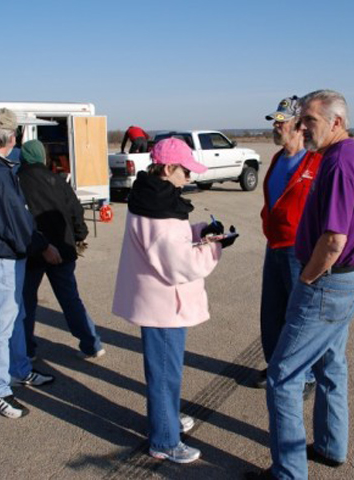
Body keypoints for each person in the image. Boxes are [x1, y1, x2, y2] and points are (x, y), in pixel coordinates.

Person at [250, 90, 354, 479]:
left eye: (310, 120)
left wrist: (307, 279)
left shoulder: (337, 162)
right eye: (301, 120)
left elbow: (334, 240)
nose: (302, 127)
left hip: (326, 282)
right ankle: (329, 446)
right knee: (330, 362)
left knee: (283, 377)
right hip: (346, 278)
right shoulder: (353, 154)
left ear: (336, 122)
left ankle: (288, 473)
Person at [112, 138, 237, 464]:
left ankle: (165, 419)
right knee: (165, 375)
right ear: (168, 168)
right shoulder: (158, 209)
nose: (189, 177)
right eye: (185, 171)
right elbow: (179, 264)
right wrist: (214, 248)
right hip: (164, 306)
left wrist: (200, 232)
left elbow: (172, 240)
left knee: (165, 372)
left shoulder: (153, 197)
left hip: (159, 301)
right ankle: (165, 440)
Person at [0, 108, 60, 419]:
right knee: (0, 326)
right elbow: (16, 223)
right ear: (12, 137)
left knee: (15, 317)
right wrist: (43, 246)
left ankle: (19, 369)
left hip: (1, 256)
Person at [255, 96, 323, 393]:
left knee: (298, 317)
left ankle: (304, 375)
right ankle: (276, 365)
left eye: (282, 122)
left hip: (299, 249)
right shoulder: (277, 158)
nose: (276, 126)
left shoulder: (315, 161)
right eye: (275, 121)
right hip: (274, 245)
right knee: (271, 313)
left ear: (299, 126)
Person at [17, 140, 105, 361]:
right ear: (42, 157)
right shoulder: (57, 180)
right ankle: (92, 344)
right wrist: (79, 235)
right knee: (70, 299)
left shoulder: (16, 181)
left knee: (26, 302)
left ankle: (27, 350)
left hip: (31, 251)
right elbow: (76, 211)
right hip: (63, 248)